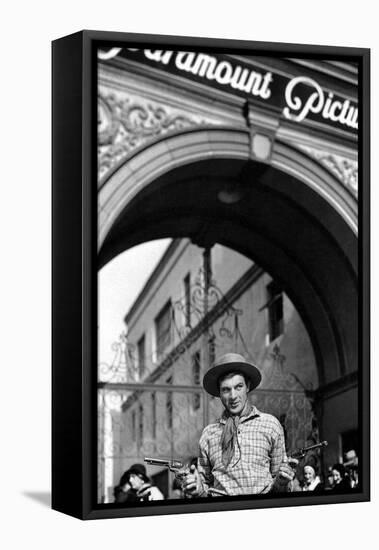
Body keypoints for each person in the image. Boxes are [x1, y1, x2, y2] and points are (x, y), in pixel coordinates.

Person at [182, 352, 297, 497]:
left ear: (247, 386)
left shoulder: (270, 425)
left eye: (238, 387)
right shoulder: (209, 434)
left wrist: (282, 482)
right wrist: (197, 489)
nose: (233, 396)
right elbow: (204, 486)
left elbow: (280, 484)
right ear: (219, 393)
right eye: (226, 389)